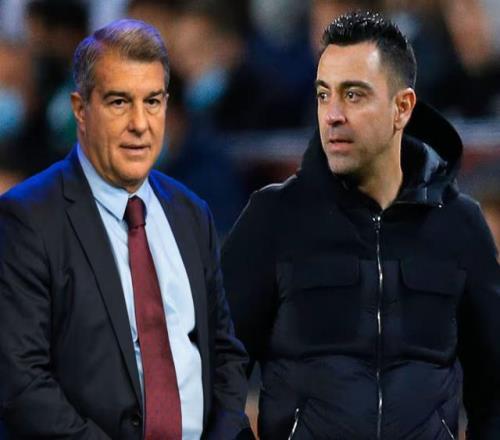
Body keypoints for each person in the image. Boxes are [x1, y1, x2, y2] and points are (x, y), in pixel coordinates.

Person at [222, 11, 500, 439]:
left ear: (402, 108)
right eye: (323, 95)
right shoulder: (273, 218)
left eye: (353, 95)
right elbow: (212, 368)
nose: (332, 114)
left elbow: (495, 389)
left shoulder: (460, 226)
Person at [0, 19, 254, 440]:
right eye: (119, 102)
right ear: (80, 109)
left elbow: (225, 355)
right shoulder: (27, 218)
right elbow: (22, 384)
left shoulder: (192, 213)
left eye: (152, 102)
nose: (140, 123)